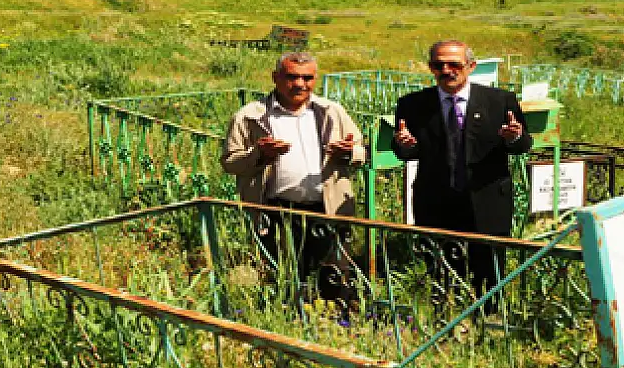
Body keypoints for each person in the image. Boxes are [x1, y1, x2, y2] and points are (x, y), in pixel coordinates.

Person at [392, 40, 531, 303]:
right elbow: (406, 152)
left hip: (487, 201)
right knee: (439, 272)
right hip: (436, 203)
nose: (446, 70)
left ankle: (489, 325)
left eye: (454, 64)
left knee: (489, 273)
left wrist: (513, 138)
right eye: (438, 65)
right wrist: (404, 144)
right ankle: (443, 325)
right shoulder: (413, 104)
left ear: (471, 66)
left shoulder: (499, 101)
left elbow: (522, 146)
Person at [221, 52, 365, 301]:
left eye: (307, 78)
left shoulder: (331, 111)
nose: (299, 84)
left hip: (326, 209)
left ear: (315, 79)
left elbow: (361, 151)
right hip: (276, 211)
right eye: (291, 77)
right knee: (283, 277)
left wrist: (348, 153)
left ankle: (332, 325)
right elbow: (231, 163)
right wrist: (259, 154)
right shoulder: (250, 116)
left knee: (332, 276)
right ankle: (286, 323)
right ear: (275, 78)